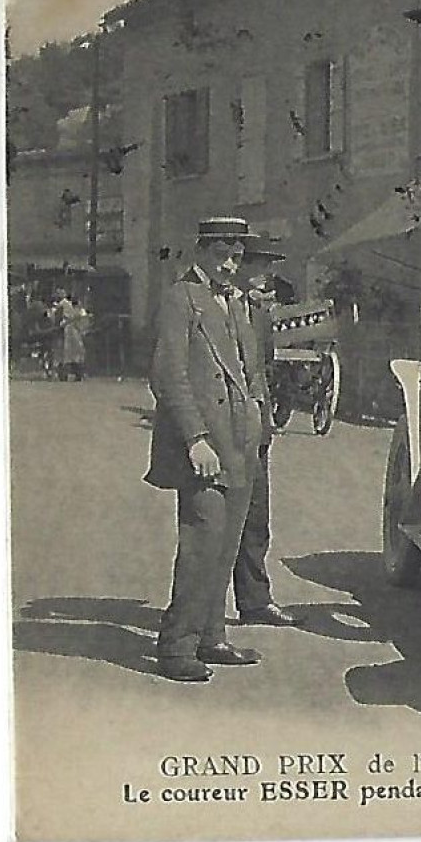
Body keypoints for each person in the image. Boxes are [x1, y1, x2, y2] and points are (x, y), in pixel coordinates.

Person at [144, 216, 270, 682]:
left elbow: (252, 370)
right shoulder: (182, 298)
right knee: (202, 540)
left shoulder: (237, 303)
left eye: (236, 254)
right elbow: (168, 375)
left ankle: (212, 637)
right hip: (205, 444)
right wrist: (195, 438)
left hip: (241, 441)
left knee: (227, 543)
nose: (230, 262)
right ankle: (176, 645)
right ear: (201, 250)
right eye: (221, 253)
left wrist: (262, 425)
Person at [229, 239, 299, 627]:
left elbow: (265, 364)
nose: (265, 273)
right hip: (223, 426)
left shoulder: (258, 312)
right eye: (257, 263)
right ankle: (203, 613)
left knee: (256, 517)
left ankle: (255, 600)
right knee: (218, 522)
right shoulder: (215, 305)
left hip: (256, 427)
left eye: (267, 265)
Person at [52, 291, 91, 381]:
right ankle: (71, 374)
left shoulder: (75, 311)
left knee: (72, 355)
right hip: (72, 334)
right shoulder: (76, 311)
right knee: (73, 355)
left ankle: (75, 375)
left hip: (73, 334)